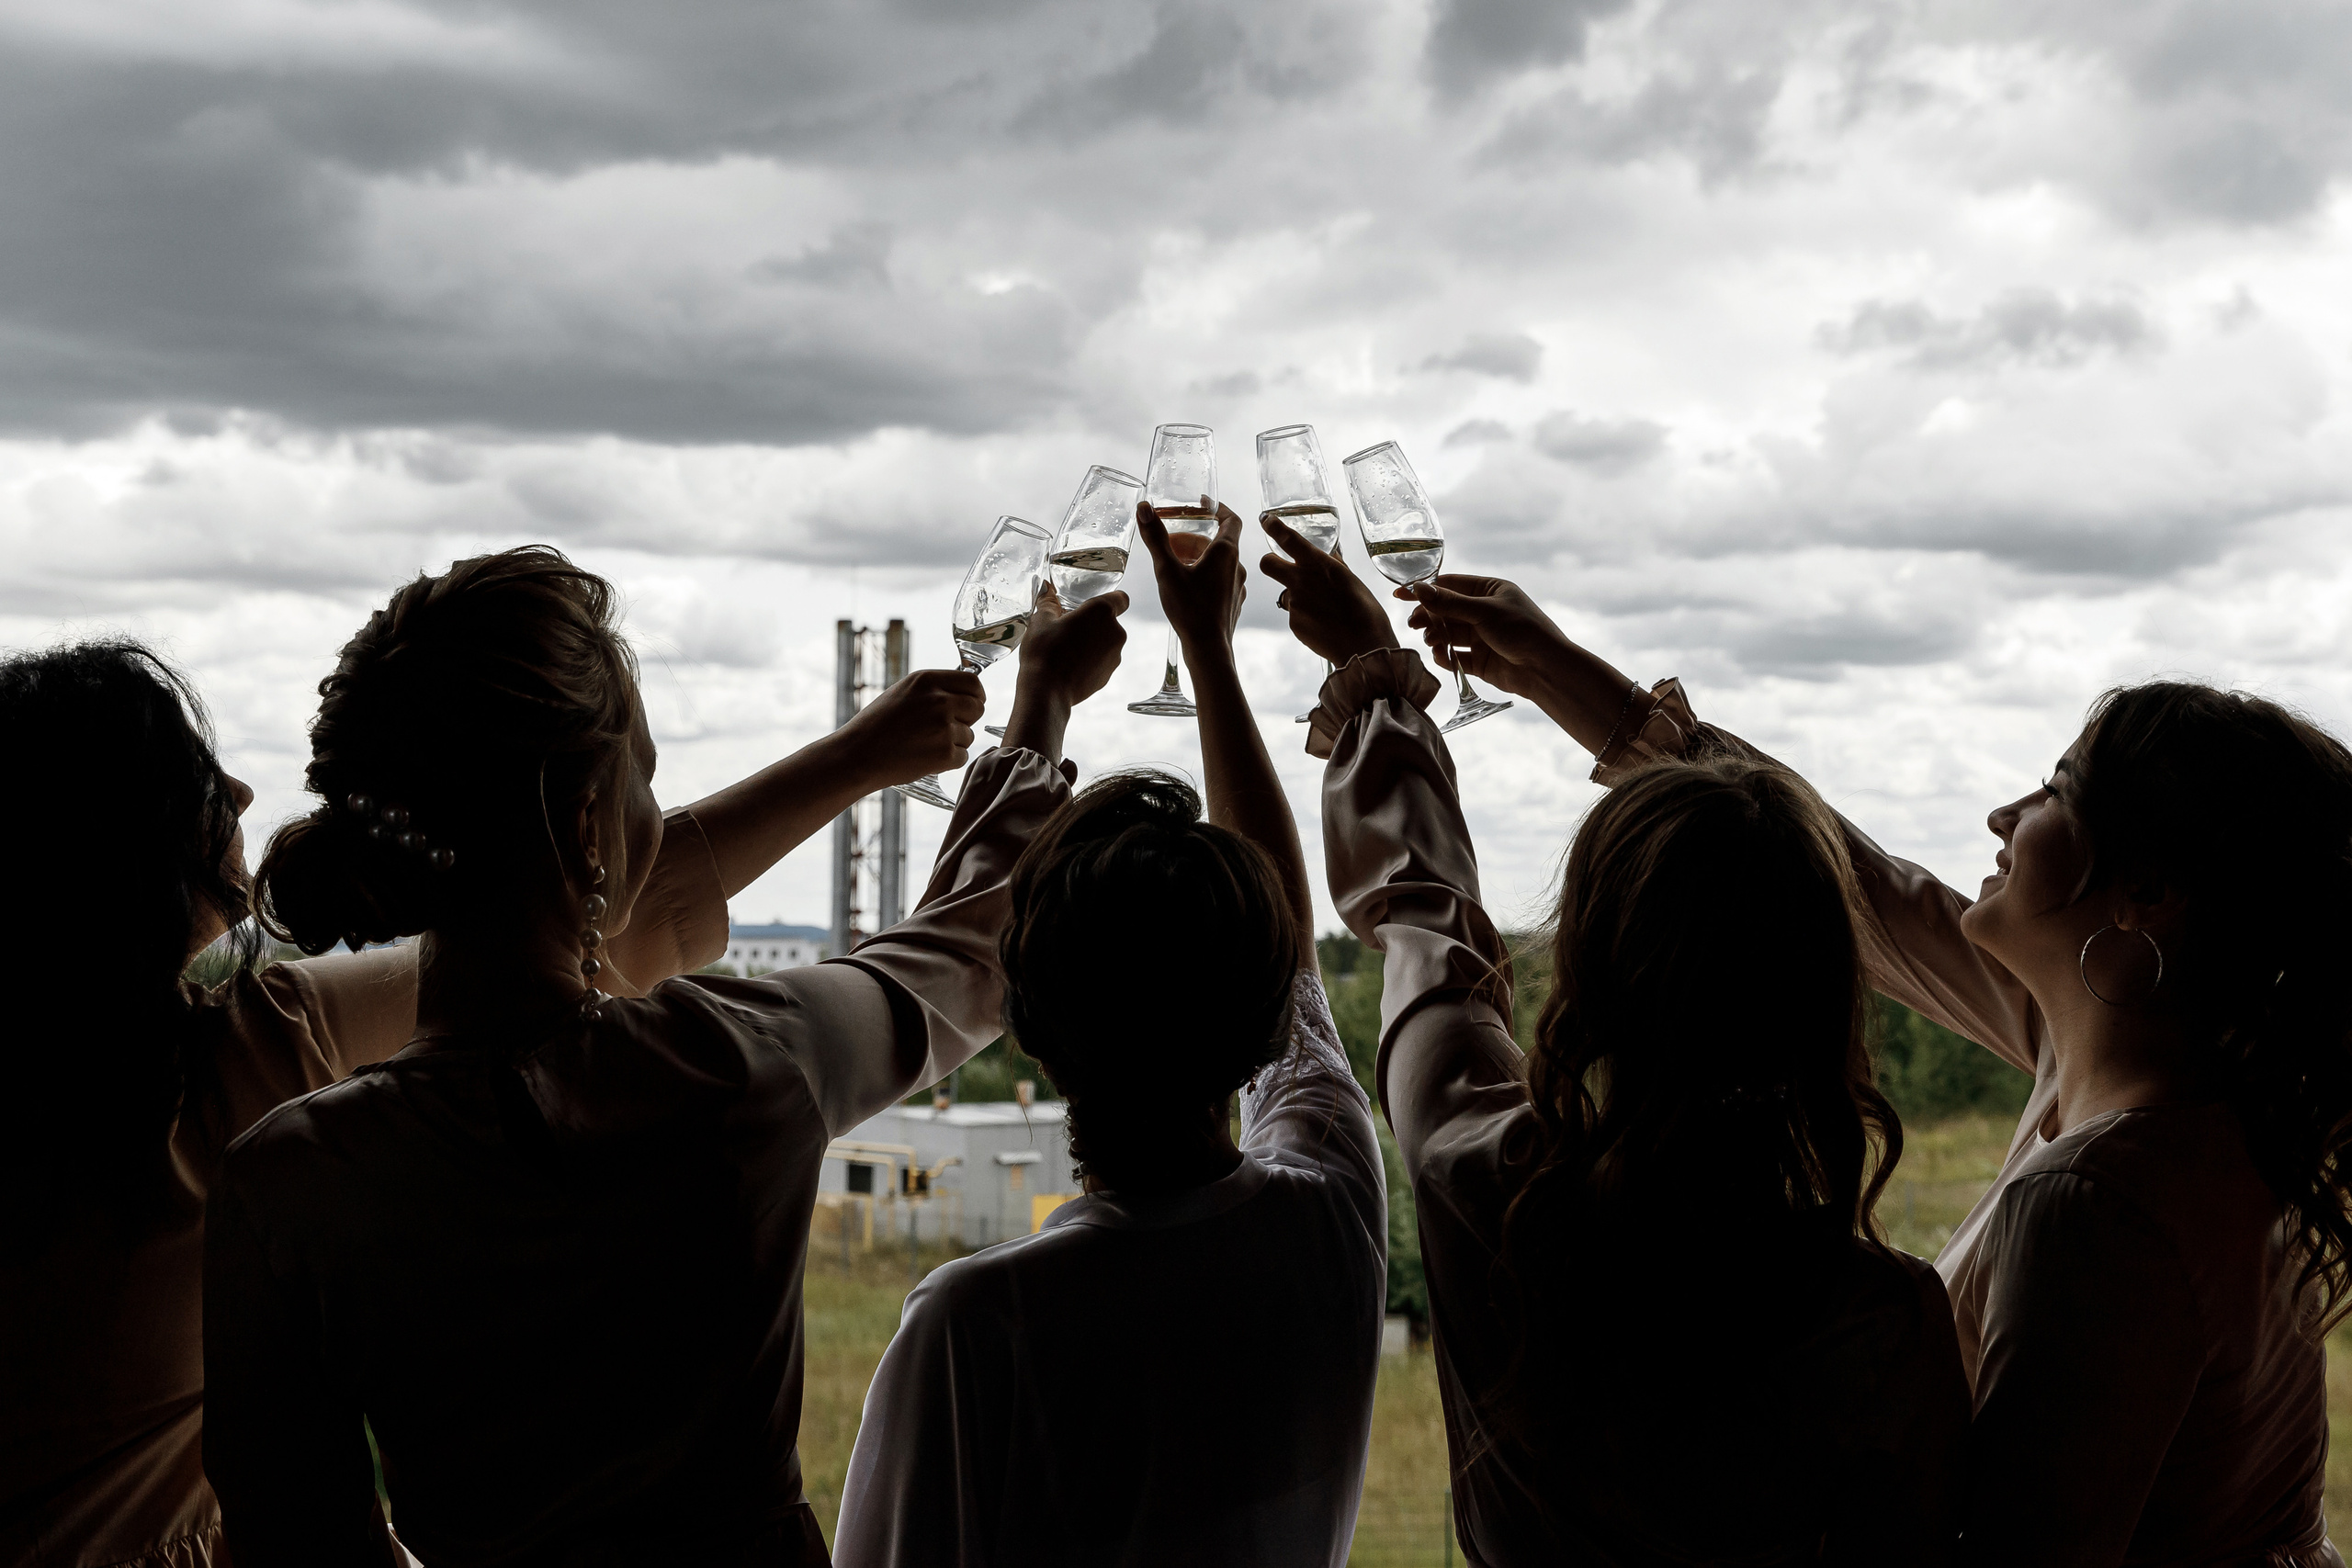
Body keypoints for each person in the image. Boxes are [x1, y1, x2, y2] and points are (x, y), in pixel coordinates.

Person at [1329, 556, 2352, 1567]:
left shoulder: (2099, 1204)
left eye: (2056, 790)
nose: (2003, 815)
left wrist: (1383, 708)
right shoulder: (2174, 1075)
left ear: (2149, 895)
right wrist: (1564, 675)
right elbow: (1864, 895)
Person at [199, 545, 1127, 1566]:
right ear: (590, 825)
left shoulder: (288, 1181)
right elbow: (964, 955)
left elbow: (295, 1539)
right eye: (644, 775)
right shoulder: (740, 1069)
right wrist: (1041, 698)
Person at [0, 615, 913, 1568]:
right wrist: (861, 757)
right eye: (195, 780)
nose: (237, 789)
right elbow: (574, 907)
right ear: (114, 841)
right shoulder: (237, 1066)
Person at [1260, 516, 1971, 1564]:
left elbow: (1426, 927)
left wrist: (1374, 687)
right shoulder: (1884, 1320)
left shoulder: (1484, 1184)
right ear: (1827, 993)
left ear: (1585, 976)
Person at [833, 501, 1387, 1568]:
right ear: (1267, 1008)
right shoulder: (1332, 1215)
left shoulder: (975, 1326)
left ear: (1024, 1020)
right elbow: (1296, 953)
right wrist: (1209, 652)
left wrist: (1038, 696)